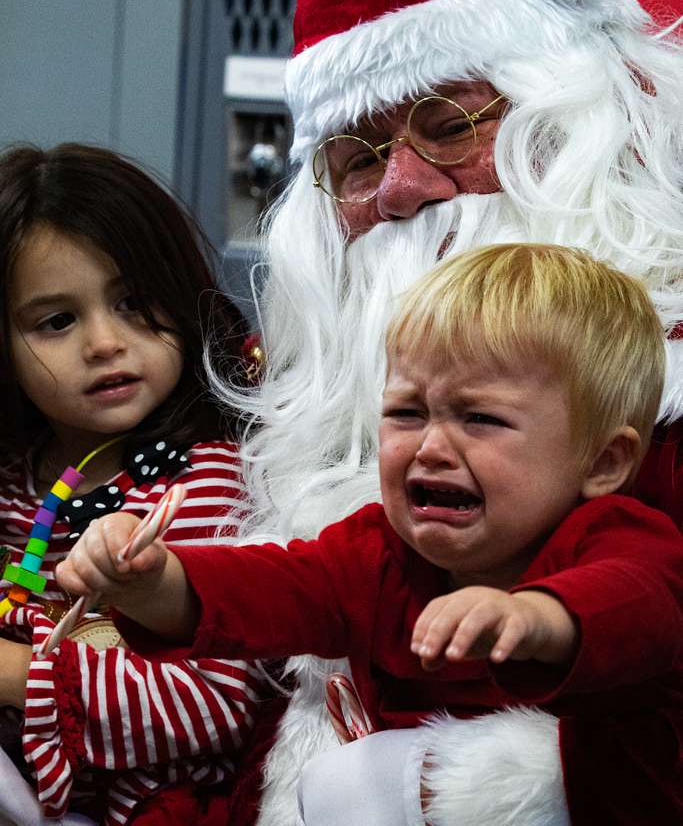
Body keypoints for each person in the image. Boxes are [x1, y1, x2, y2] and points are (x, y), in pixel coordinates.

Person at [200, 0, 683, 826]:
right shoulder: (306, 421)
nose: (401, 186)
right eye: (356, 155)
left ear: (569, 117)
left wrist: (475, 788)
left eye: (443, 123)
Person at [55, 242, 683, 826]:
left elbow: (640, 601)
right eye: (406, 412)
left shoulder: (618, 535)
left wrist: (538, 617)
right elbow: (268, 587)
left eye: (482, 419)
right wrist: (151, 580)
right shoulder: (380, 551)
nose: (432, 447)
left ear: (603, 463)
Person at [0, 143, 264, 826]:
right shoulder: (13, 484)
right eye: (56, 321)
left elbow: (212, 708)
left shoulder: (202, 481)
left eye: (133, 302)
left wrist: (13, 676)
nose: (104, 343)